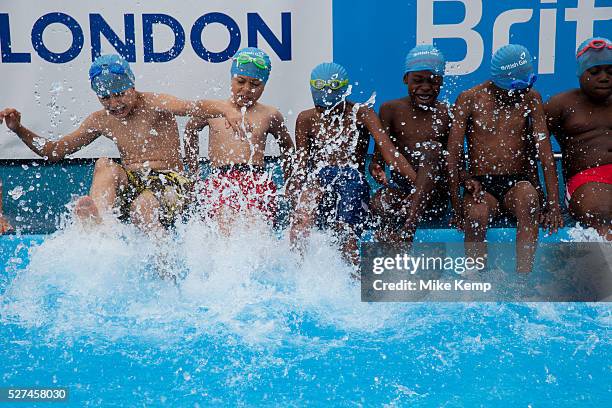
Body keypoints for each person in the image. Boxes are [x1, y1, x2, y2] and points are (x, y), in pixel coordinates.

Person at [1, 54, 242, 238]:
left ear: (132, 87)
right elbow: (54, 152)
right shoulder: (101, 120)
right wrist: (18, 130)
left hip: (170, 185)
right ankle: (100, 226)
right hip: (133, 185)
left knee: (143, 205)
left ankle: (164, 266)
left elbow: (194, 106)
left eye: (120, 94)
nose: (114, 104)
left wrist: (225, 109)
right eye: (105, 98)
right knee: (104, 164)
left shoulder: (154, 103)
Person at [288, 62, 420, 265]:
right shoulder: (306, 119)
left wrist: (418, 187)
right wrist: (295, 192)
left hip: (352, 181)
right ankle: (297, 276)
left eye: (330, 108)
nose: (326, 113)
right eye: (320, 107)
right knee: (299, 223)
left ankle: (355, 284)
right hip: (320, 183)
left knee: (345, 231)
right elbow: (302, 165)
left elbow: (390, 152)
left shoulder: (362, 114)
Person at [447, 44, 563, 273]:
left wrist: (553, 206)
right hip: (482, 186)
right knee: (475, 215)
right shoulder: (470, 99)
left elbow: (546, 155)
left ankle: (522, 280)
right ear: (499, 81)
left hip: (517, 183)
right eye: (516, 88)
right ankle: (476, 281)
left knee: (529, 200)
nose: (522, 92)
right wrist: (456, 205)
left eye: (527, 85)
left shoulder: (531, 99)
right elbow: (453, 155)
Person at [184, 47, 294, 232]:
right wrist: (192, 174)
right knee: (224, 223)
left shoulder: (270, 114)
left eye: (255, 84)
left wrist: (290, 183)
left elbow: (288, 148)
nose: (247, 89)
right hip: (220, 178)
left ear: (264, 85)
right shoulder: (214, 109)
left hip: (256, 178)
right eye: (240, 81)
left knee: (255, 225)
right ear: (232, 78)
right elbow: (190, 131)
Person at [369, 45, 451, 243]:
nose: (425, 87)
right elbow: (380, 157)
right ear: (406, 79)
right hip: (403, 192)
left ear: (441, 81)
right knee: (379, 203)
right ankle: (388, 252)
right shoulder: (390, 110)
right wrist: (375, 167)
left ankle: (408, 231)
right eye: (417, 80)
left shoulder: (446, 112)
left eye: (433, 81)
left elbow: (452, 162)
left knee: (432, 149)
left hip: (434, 198)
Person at [545, 37, 611, 239]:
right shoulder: (561, 105)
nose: (604, 78)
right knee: (600, 211)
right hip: (588, 179)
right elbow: (534, 149)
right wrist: (549, 201)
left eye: (610, 71)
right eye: (594, 72)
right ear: (581, 74)